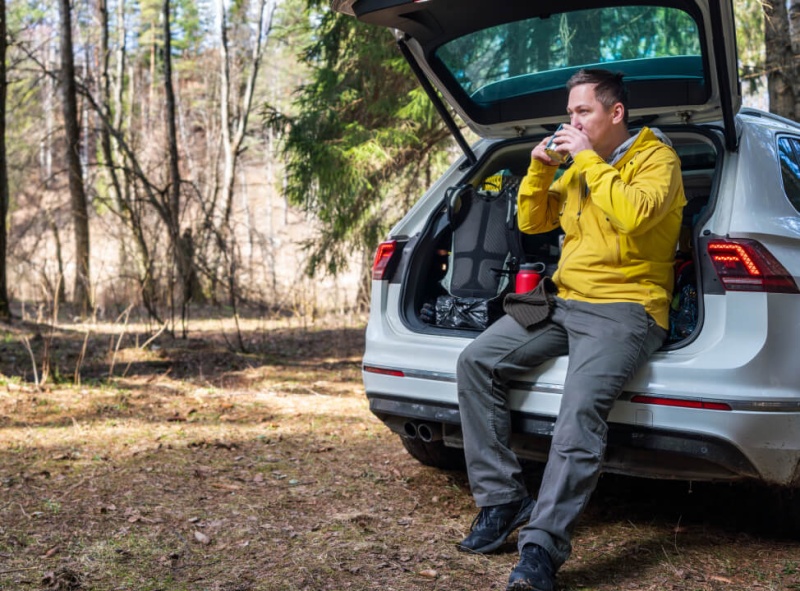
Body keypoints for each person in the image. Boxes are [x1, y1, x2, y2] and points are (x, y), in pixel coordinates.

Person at [455, 68, 686, 591]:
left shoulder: (658, 160)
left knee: (578, 411)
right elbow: (534, 223)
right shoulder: (581, 165)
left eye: (583, 111)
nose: (573, 121)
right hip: (563, 301)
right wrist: (539, 171)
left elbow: (633, 215)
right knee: (476, 362)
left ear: (615, 112)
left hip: (627, 308)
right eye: (571, 113)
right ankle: (503, 500)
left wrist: (585, 159)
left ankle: (541, 547)